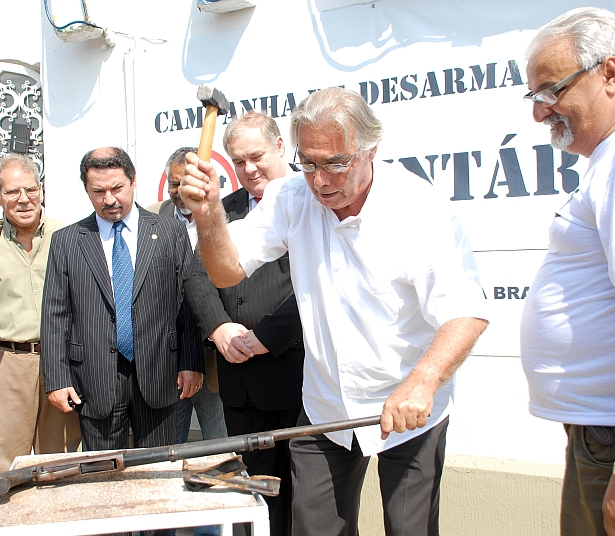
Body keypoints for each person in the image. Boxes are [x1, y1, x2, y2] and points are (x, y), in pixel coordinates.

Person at [180, 88, 488, 536]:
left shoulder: (418, 208)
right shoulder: (292, 197)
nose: (320, 180)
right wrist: (208, 213)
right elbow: (227, 272)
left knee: (410, 529)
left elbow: (466, 310)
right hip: (325, 409)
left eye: (335, 163)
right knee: (315, 529)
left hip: (408, 408)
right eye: (308, 163)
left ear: (371, 151)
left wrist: (423, 382)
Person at [520, 8, 615, 536]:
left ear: (609, 73)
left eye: (551, 90)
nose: (541, 113)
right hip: (608, 435)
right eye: (534, 97)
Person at [183, 114, 305, 536]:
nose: (249, 168)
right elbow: (196, 274)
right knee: (250, 500)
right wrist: (219, 328)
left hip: (295, 378)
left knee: (301, 503)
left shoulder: (308, 201)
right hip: (238, 382)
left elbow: (315, 287)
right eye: (239, 161)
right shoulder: (222, 209)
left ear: (279, 147)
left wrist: (265, 338)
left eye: (257, 156)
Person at [42, 147, 203, 453]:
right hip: (95, 378)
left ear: (133, 181)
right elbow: (55, 313)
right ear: (86, 189)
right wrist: (57, 377)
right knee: (103, 473)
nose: (110, 200)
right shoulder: (67, 241)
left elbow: (187, 300)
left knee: (157, 470)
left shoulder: (170, 231)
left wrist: (191, 362)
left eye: (117, 188)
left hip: (159, 372)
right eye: (98, 191)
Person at [0, 154, 81, 476]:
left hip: (61, 361)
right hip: (4, 365)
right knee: (6, 468)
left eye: (30, 190)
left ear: (41, 191)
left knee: (63, 463)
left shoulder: (67, 236)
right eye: (12, 192)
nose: (23, 200)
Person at [156, 147, 228, 446]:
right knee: (169, 445)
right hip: (168, 358)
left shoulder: (224, 216)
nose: (179, 190)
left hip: (213, 357)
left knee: (219, 444)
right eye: (174, 183)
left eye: (185, 181)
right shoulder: (153, 216)